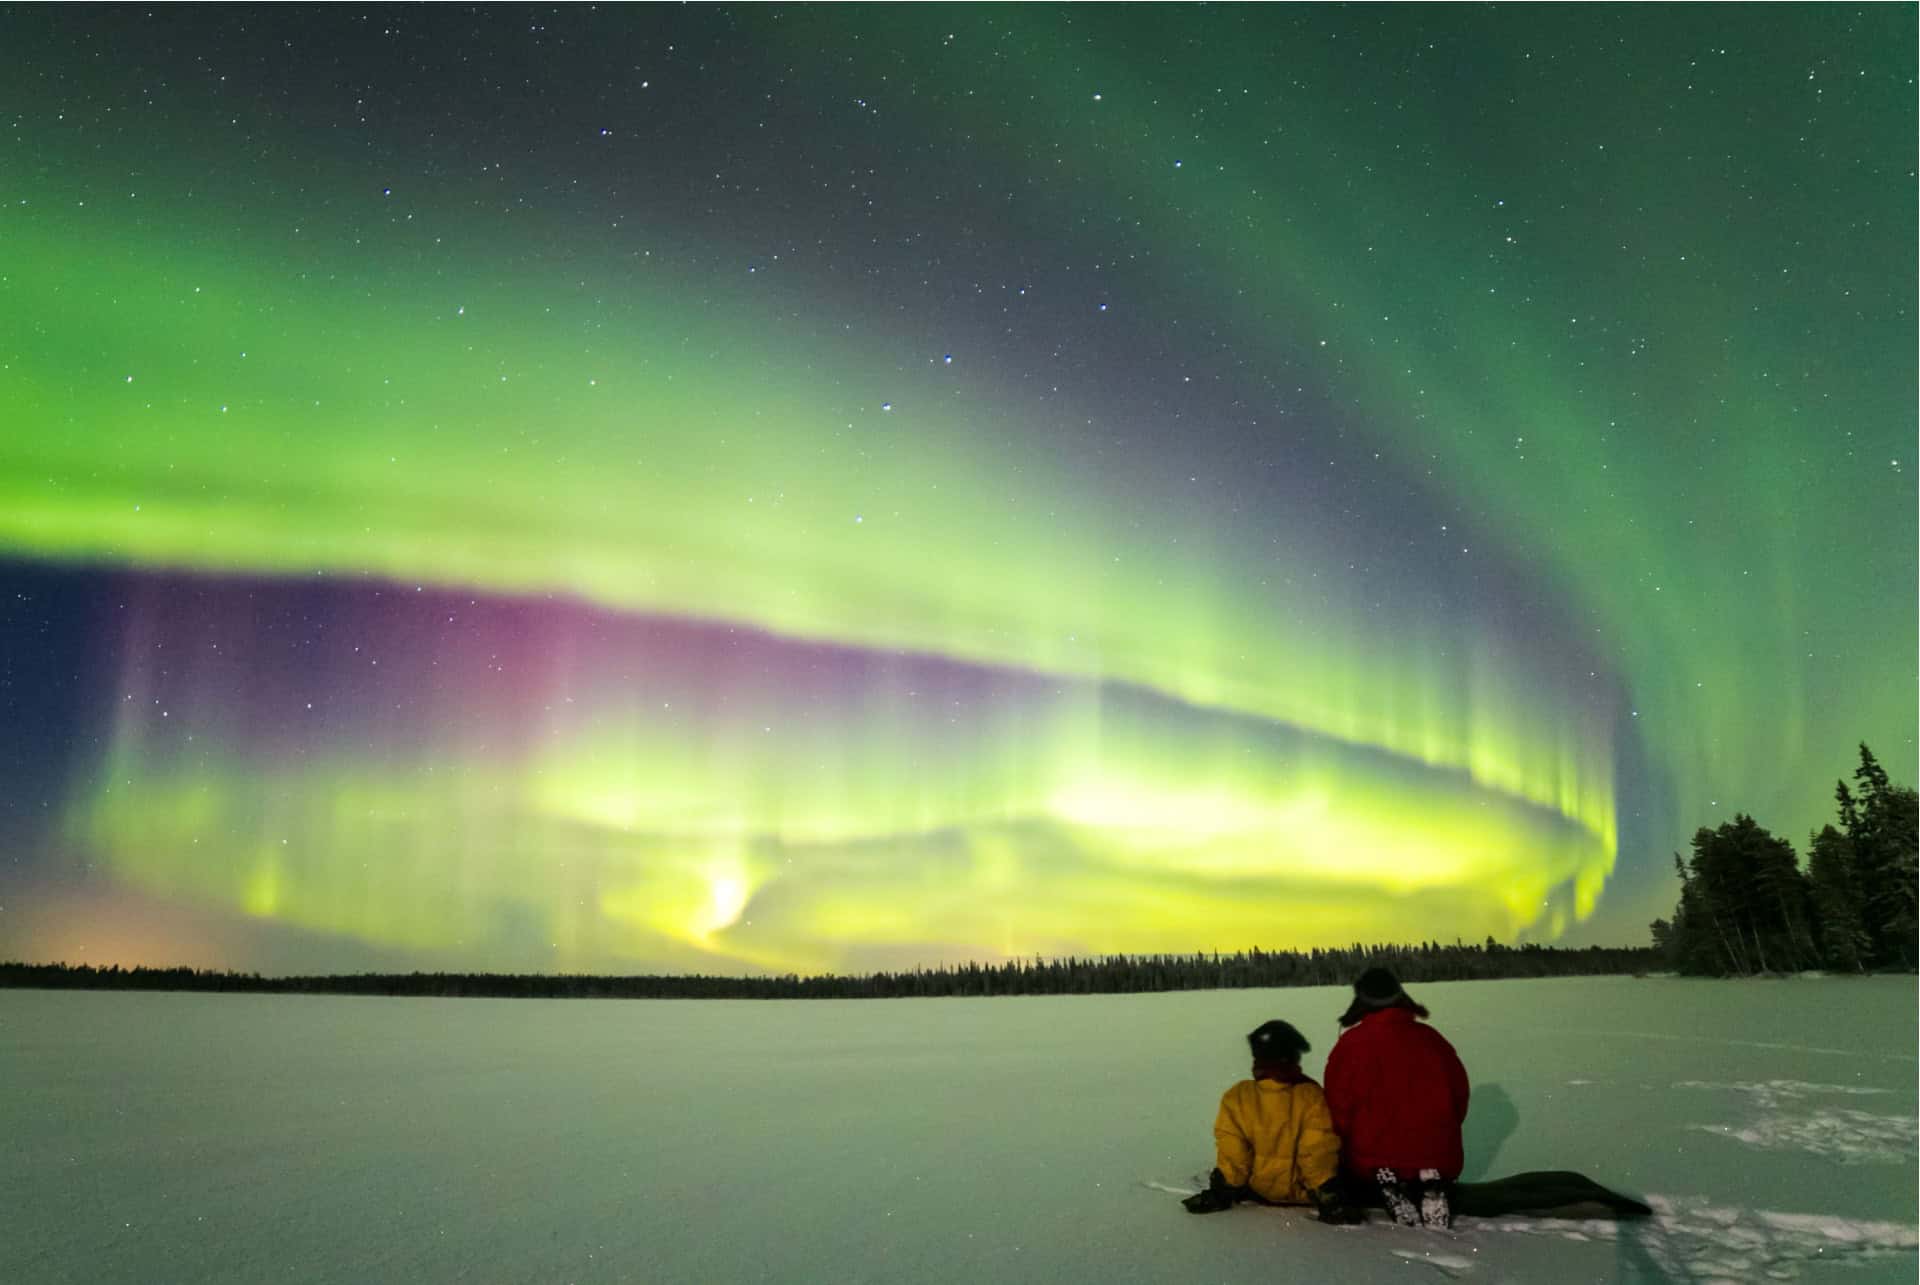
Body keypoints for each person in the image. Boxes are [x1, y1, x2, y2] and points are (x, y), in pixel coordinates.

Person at [1323, 967, 1471, 1228]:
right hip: (1437, 1152)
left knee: (1367, 1155)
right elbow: (1459, 1098)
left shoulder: (1350, 1045)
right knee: (1424, 1151)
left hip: (1369, 1155)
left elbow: (1337, 1109)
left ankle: (1386, 1173)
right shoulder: (1433, 1040)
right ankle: (1428, 1174)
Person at [1182, 1019, 1360, 1223]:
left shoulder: (1237, 1096)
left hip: (1260, 1191)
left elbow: (1234, 1155)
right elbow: (1316, 1152)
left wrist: (1222, 1191)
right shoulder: (1311, 1095)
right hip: (1303, 1194)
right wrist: (1330, 1197)